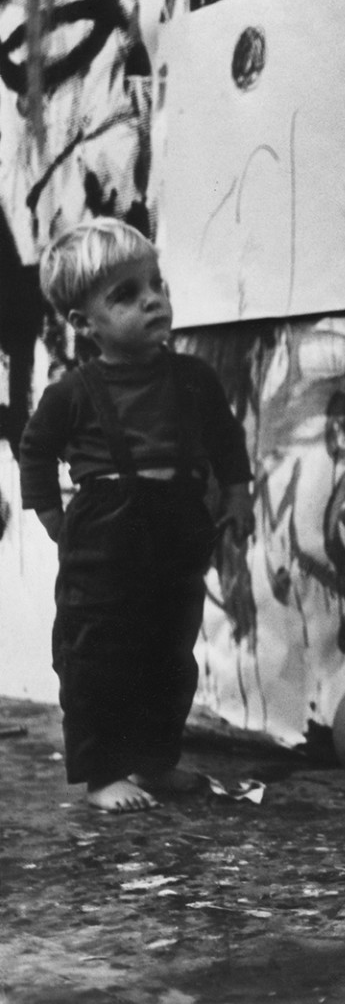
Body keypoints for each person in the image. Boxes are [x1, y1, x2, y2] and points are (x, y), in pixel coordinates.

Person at [18, 218, 255, 814]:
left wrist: (237, 494)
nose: (152, 299)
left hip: (178, 527)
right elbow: (36, 451)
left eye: (155, 283)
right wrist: (52, 516)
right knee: (97, 653)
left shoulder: (194, 379)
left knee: (168, 651)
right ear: (83, 324)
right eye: (125, 294)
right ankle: (102, 773)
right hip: (104, 529)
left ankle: (155, 759)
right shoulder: (71, 393)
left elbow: (226, 443)